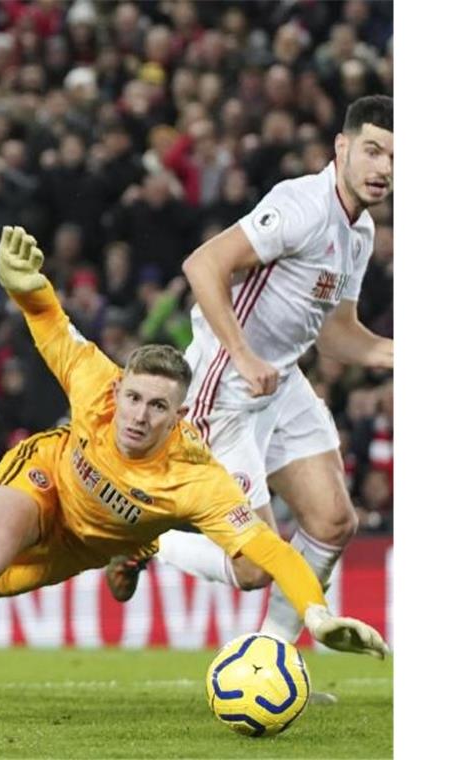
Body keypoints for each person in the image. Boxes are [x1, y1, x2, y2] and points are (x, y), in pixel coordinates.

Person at [0, 226, 388, 705]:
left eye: (158, 407)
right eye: (133, 397)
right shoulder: (97, 386)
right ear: (119, 389)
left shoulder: (197, 477)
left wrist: (318, 613)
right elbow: (53, 327)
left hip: (82, 548)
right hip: (43, 479)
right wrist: (25, 286)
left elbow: (271, 551)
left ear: (179, 416)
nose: (138, 415)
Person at [143, 96, 393, 682]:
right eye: (374, 150)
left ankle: (270, 661)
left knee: (334, 521)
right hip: (224, 385)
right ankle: (147, 542)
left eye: (396, 159)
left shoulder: (359, 230)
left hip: (279, 382)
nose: (384, 168)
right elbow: (203, 264)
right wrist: (243, 354)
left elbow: (336, 337)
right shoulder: (301, 204)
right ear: (343, 147)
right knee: (255, 565)